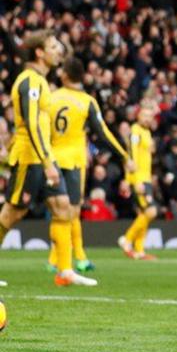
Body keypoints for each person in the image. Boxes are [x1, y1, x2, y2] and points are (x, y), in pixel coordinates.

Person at [0, 31, 96, 286]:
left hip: (44, 157)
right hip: (30, 158)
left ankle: (64, 271)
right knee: (11, 214)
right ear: (39, 53)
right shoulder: (29, 82)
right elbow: (31, 124)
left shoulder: (41, 82)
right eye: (53, 46)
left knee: (62, 206)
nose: (58, 51)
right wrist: (47, 162)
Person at [46, 57, 136, 273]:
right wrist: (124, 155)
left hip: (52, 160)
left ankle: (56, 259)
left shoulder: (51, 98)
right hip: (75, 162)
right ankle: (76, 258)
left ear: (65, 74)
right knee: (72, 213)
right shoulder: (87, 102)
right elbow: (103, 132)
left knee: (59, 212)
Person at [117, 106, 160, 261]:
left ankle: (140, 249)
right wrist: (134, 180)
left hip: (146, 177)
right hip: (139, 179)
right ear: (138, 116)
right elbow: (132, 156)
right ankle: (127, 239)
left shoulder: (147, 132)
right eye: (145, 115)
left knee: (144, 214)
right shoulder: (135, 130)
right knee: (151, 211)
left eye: (150, 116)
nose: (148, 118)